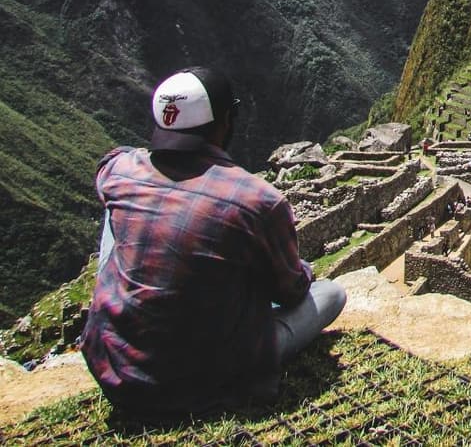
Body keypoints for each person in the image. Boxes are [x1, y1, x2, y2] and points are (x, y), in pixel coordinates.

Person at [81, 67, 346, 418]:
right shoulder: (258, 200)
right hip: (215, 375)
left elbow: (111, 163)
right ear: (225, 122)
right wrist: (303, 271)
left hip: (116, 369)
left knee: (115, 213)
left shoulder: (119, 170)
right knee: (331, 293)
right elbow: (292, 292)